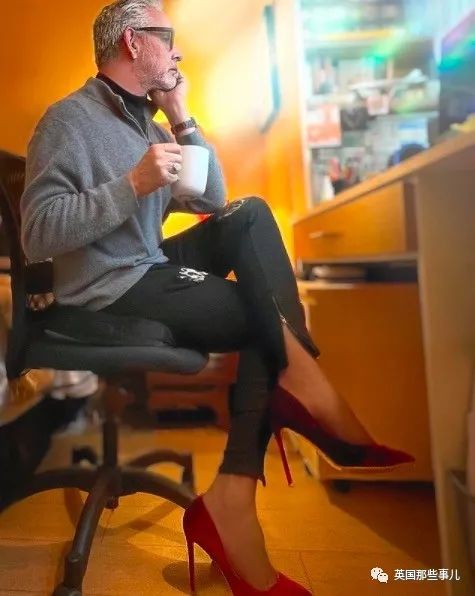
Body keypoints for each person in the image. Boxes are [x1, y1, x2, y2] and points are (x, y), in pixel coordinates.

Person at [20, 1, 414, 594]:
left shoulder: (150, 126)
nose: (177, 51)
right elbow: (37, 234)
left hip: (147, 265)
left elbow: (211, 201)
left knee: (249, 213)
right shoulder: (67, 121)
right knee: (263, 316)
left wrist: (181, 117)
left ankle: (285, 399)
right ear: (133, 42)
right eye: (167, 38)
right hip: (105, 287)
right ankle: (270, 441)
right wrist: (131, 185)